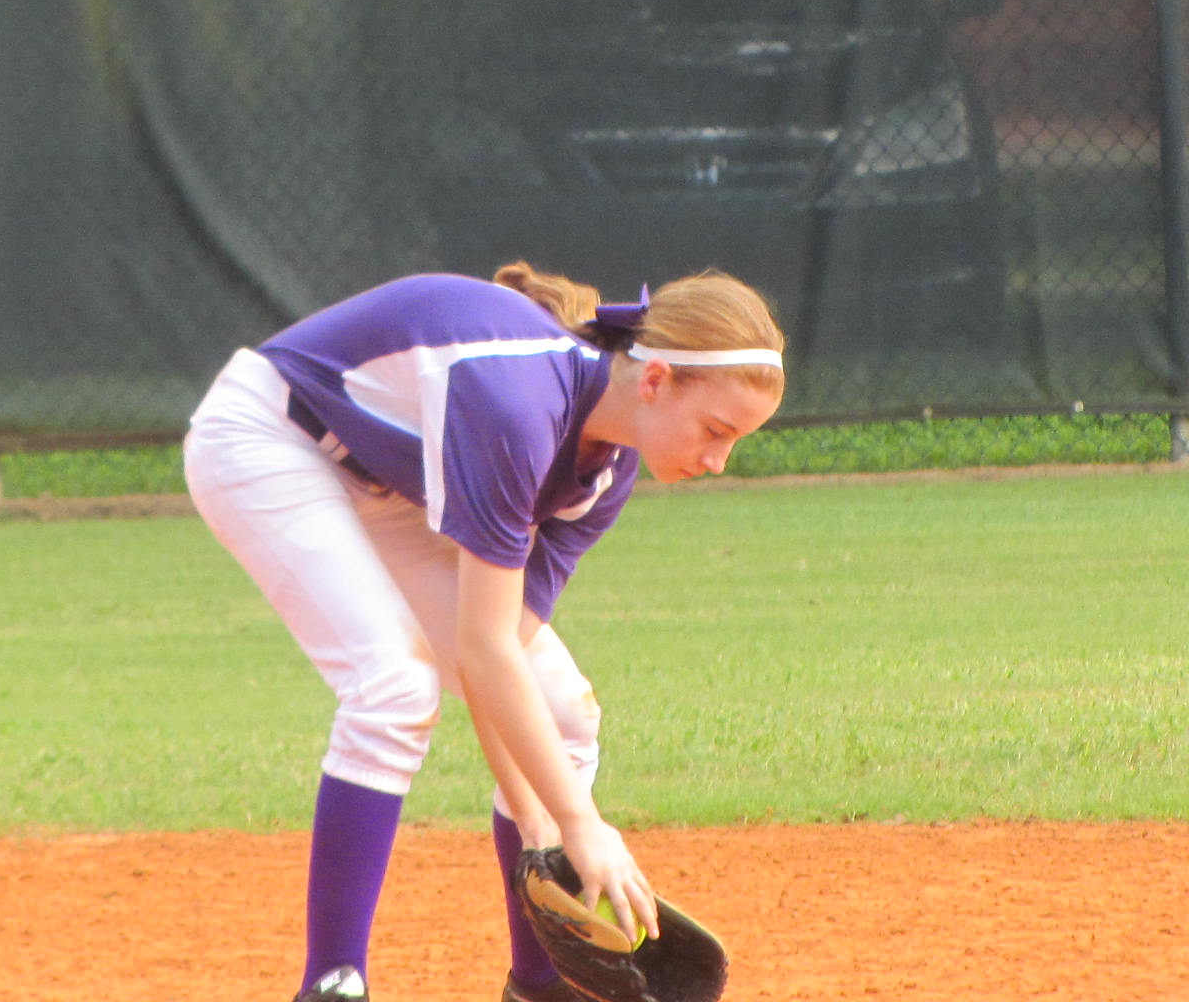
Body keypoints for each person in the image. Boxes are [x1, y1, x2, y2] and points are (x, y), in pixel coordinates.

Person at [183, 262, 787, 1002]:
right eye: (716, 430)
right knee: (394, 685)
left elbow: (494, 656)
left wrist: (540, 827)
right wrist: (578, 824)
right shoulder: (517, 405)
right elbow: (483, 650)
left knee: (564, 713)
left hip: (385, 482)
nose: (718, 460)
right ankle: (331, 983)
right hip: (269, 437)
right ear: (655, 380)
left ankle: (536, 982)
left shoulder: (603, 474)